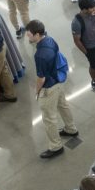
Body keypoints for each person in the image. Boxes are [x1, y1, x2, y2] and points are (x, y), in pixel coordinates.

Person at [26, 20, 79, 159]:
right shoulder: (50, 39)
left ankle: (56, 146)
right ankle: (71, 128)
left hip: (49, 87)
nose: (27, 36)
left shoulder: (40, 55)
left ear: (37, 35)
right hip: (58, 81)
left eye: (29, 34)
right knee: (63, 105)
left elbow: (41, 78)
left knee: (49, 118)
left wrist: (37, 91)